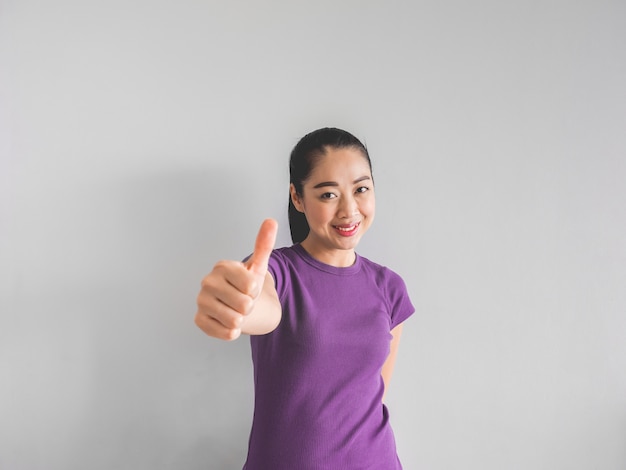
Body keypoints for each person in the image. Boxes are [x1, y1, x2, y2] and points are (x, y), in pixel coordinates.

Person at [195, 127, 415, 469]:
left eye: (361, 189)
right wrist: (239, 304)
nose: (349, 209)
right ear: (298, 198)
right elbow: (261, 305)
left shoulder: (389, 287)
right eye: (328, 195)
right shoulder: (276, 272)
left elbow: (374, 393)